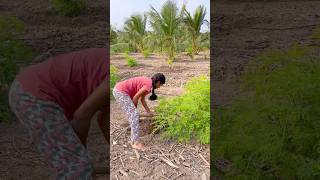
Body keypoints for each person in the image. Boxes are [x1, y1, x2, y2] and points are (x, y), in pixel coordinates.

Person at [8, 48, 109, 179]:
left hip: (32, 88)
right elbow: (81, 117)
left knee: (77, 167)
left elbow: (104, 119)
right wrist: (80, 154)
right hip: (33, 96)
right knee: (77, 170)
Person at [113, 73, 166, 151]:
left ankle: (133, 139)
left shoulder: (148, 84)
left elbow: (142, 99)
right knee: (134, 115)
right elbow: (135, 98)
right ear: (158, 82)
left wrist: (149, 112)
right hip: (121, 92)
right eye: (160, 85)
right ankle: (136, 143)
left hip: (120, 91)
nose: (159, 87)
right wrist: (134, 111)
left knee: (133, 115)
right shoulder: (148, 85)